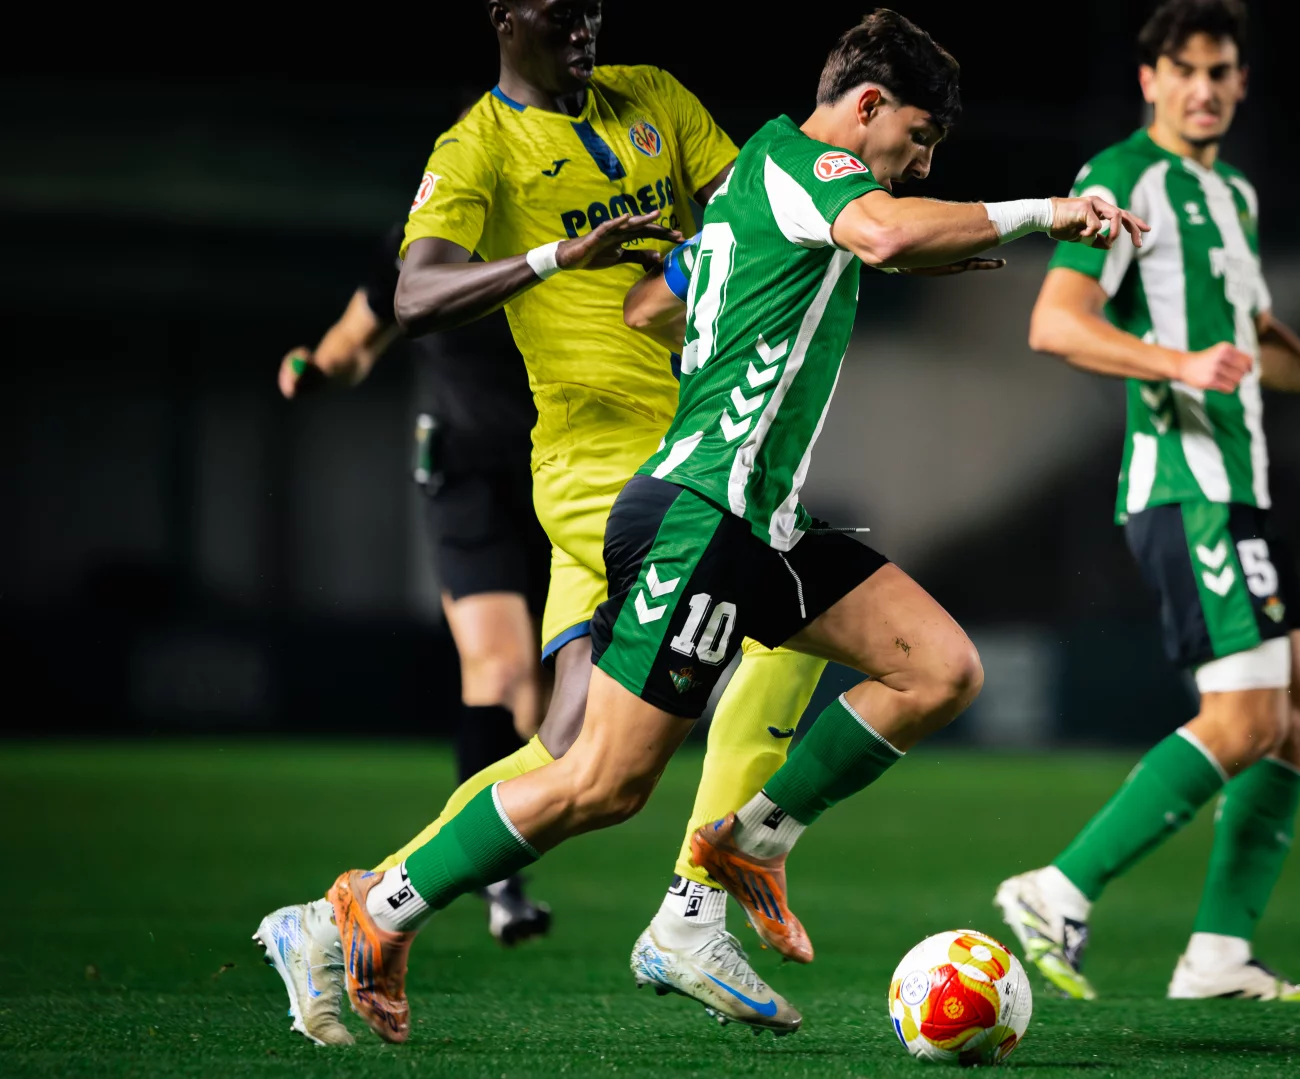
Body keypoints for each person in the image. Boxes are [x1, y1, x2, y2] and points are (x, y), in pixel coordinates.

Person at [300, 6, 1147, 1049]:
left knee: (939, 668)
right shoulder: (799, 163)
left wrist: (784, 270)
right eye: (919, 137)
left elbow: (656, 305)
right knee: (601, 780)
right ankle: (380, 904)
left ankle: (748, 845)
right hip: (697, 512)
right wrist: (1049, 212)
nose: (922, 164)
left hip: (762, 522)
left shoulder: (765, 187)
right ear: (867, 106)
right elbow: (881, 231)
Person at [252, 0, 841, 1046]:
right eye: (561, 12)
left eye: (594, 9)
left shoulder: (652, 96)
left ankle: (342, 914)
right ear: (503, 18)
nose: (584, 27)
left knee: (571, 750)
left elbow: (747, 207)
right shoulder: (475, 148)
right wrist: (556, 258)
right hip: (602, 466)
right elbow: (412, 296)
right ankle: (695, 907)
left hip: (681, 442)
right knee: (794, 612)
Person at [997, 0, 1300, 1005]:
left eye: (1220, 71)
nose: (1204, 88)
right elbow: (1056, 322)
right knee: (1244, 717)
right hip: (1185, 482)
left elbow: (1257, 334)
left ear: (1240, 83)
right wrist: (1179, 361)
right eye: (1184, 70)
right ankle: (1055, 888)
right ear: (1149, 80)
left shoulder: (1233, 192)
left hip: (1245, 486)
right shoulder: (1121, 177)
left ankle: (1220, 952)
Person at [273, 223, 556, 948]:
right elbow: (353, 345)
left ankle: (494, 851)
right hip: (466, 477)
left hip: (564, 469)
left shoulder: (567, 225)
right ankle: (497, 880)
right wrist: (315, 366)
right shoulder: (419, 250)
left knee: (545, 696)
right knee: (500, 671)